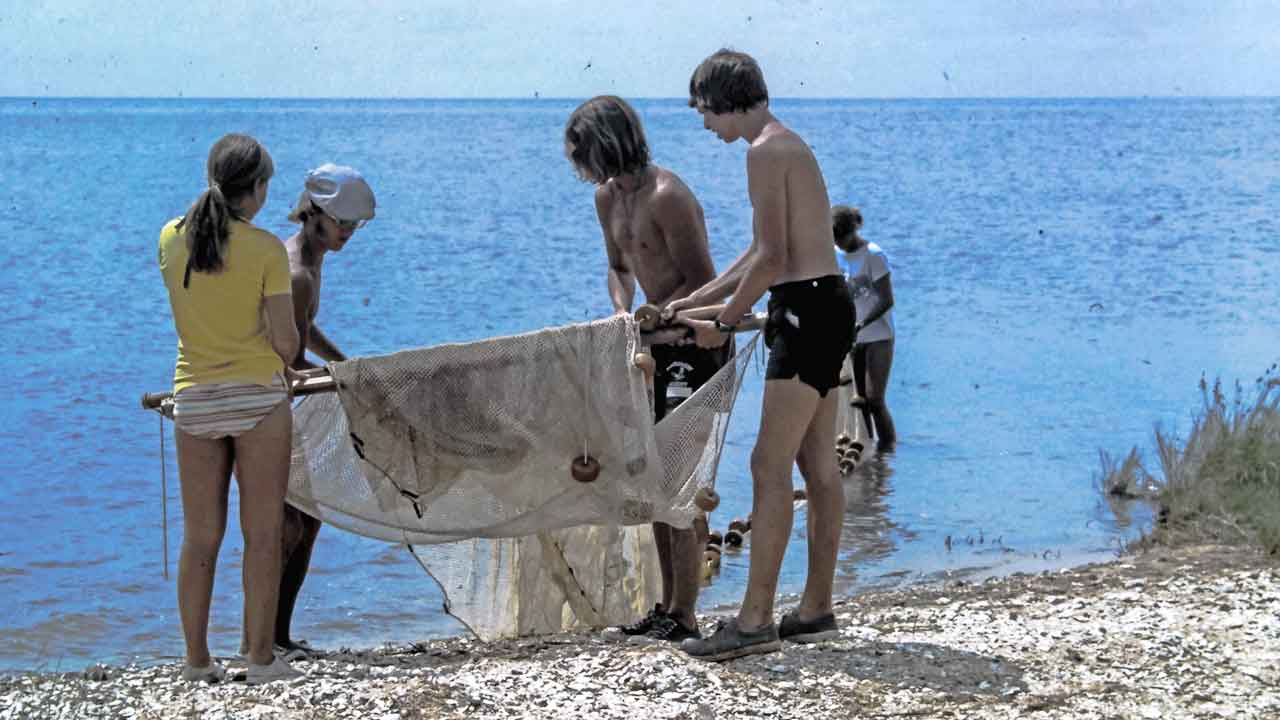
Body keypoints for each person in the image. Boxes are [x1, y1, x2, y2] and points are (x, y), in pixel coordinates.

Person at [665, 49, 856, 661]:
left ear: (724, 101)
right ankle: (817, 609)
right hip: (827, 303)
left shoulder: (762, 151)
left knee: (767, 466)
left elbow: (773, 260)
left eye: (704, 113)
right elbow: (759, 254)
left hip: (803, 313)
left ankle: (752, 622)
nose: (704, 127)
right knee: (817, 465)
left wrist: (720, 324)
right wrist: (695, 300)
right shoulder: (787, 143)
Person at [564, 95, 721, 642]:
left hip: (692, 348)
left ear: (605, 144)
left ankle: (686, 612)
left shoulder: (669, 196)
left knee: (683, 478)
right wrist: (622, 313)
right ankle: (667, 607)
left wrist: (666, 311)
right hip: (647, 345)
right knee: (655, 478)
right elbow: (617, 268)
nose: (579, 169)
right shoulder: (607, 199)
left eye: (581, 154)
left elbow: (704, 278)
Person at [157, 133, 302, 684]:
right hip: (259, 401)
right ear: (258, 189)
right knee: (262, 533)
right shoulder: (266, 250)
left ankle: (196, 662)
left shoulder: (170, 238)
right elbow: (287, 347)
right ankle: (260, 659)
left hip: (193, 397)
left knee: (200, 536)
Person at [271, 164, 376, 660]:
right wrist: (346, 382)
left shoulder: (316, 258)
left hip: (295, 403)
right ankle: (269, 638)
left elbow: (304, 329)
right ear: (314, 214)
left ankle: (281, 635)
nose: (349, 235)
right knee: (289, 526)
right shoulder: (293, 272)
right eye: (343, 225)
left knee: (307, 523)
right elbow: (289, 361)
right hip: (274, 408)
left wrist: (344, 364)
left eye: (355, 227)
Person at [833, 205, 897, 451]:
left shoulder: (873, 255)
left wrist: (861, 323)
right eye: (834, 238)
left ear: (854, 230)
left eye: (842, 237)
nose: (839, 243)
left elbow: (886, 299)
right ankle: (866, 452)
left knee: (874, 399)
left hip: (878, 336)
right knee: (857, 402)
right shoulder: (834, 253)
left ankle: (887, 454)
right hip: (851, 338)